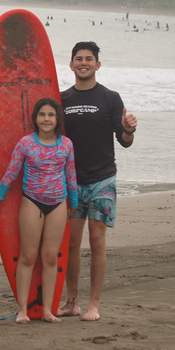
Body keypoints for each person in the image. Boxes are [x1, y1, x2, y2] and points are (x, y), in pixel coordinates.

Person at [57, 41, 137, 321]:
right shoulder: (61, 99)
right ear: (71, 65)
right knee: (71, 244)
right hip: (72, 182)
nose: (84, 62)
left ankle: (94, 305)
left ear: (97, 65)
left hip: (103, 178)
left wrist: (128, 131)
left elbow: (124, 141)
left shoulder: (110, 98)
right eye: (78, 58)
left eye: (89, 58)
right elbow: (48, 137)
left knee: (98, 241)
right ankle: (71, 302)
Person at [0, 98, 78, 324]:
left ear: (57, 119)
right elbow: (11, 173)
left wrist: (73, 204)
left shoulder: (66, 144)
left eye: (51, 115)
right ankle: (22, 310)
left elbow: (71, 176)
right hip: (32, 202)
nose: (46, 119)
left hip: (58, 203)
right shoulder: (26, 143)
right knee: (28, 256)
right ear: (35, 118)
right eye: (42, 115)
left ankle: (47, 310)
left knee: (49, 257)